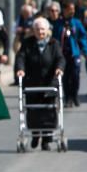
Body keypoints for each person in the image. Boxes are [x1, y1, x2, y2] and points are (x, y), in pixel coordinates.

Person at [15, 17, 65, 150]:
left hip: (49, 83)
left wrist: (59, 68)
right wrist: (20, 69)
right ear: (33, 31)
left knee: (49, 111)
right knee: (33, 111)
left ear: (47, 30)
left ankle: (46, 140)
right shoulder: (27, 43)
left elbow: (60, 58)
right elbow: (21, 57)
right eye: (37, 29)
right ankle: (36, 135)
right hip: (32, 83)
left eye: (42, 29)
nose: (40, 32)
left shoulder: (54, 43)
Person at [51, 1, 87, 107]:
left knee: (75, 76)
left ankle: (75, 95)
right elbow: (54, 38)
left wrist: (85, 50)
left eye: (73, 9)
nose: (72, 11)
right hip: (62, 55)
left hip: (74, 54)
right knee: (65, 77)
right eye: (70, 9)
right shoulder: (58, 23)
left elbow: (83, 36)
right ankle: (68, 98)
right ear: (65, 10)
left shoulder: (76, 23)